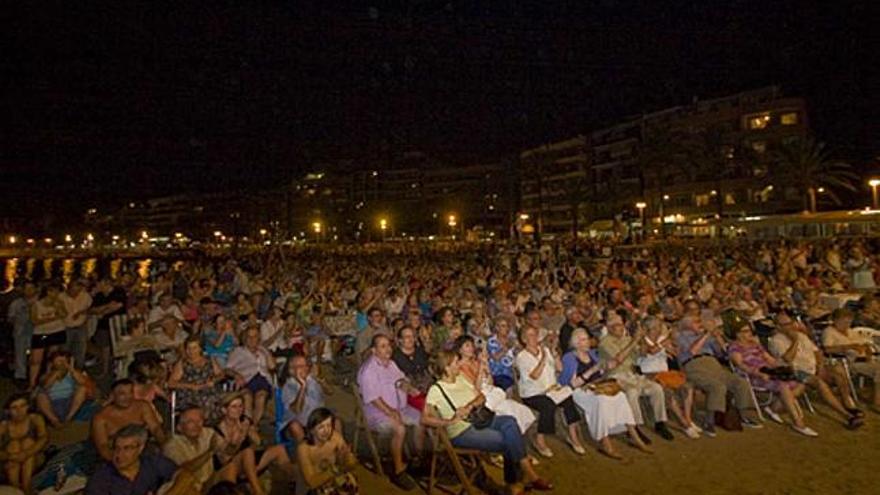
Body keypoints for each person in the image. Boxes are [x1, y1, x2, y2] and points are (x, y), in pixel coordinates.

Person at [422, 350, 551, 494]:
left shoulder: (461, 379)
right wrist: (449, 421)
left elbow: (481, 396)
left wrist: (469, 406)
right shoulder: (436, 390)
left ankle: (519, 479)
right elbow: (425, 418)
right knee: (508, 440)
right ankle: (522, 479)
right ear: (446, 367)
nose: (459, 364)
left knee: (510, 422)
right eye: (456, 363)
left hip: (479, 418)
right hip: (461, 432)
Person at [560, 329, 651, 459]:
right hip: (580, 391)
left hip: (597, 387)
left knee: (620, 396)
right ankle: (605, 443)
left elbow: (608, 366)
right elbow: (571, 384)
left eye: (587, 339)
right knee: (601, 401)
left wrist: (613, 362)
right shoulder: (569, 357)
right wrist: (592, 370)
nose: (588, 342)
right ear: (576, 343)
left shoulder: (591, 354)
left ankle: (635, 436)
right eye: (584, 340)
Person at [769, 311, 863, 428]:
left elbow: (818, 352)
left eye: (791, 323)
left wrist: (821, 367)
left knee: (838, 375)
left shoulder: (802, 335)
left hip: (813, 368)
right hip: (796, 371)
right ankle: (847, 416)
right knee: (820, 383)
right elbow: (788, 359)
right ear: (778, 327)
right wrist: (795, 341)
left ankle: (849, 405)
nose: (790, 326)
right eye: (785, 324)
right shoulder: (776, 340)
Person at [356, 334, 423, 490]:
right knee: (399, 429)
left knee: (422, 419)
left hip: (399, 407)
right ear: (374, 350)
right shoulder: (368, 370)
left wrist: (409, 388)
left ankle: (417, 459)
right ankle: (398, 470)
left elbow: (400, 381)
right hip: (377, 412)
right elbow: (373, 398)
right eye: (383, 346)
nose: (388, 349)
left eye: (388, 345)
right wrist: (391, 412)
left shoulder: (391, 364)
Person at [675, 316, 761, 436]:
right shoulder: (681, 336)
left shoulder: (708, 337)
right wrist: (706, 334)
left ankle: (744, 415)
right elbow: (692, 351)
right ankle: (709, 421)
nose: (700, 323)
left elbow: (723, 352)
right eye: (696, 322)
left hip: (714, 364)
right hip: (694, 366)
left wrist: (718, 337)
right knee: (717, 386)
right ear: (686, 325)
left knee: (740, 382)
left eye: (700, 321)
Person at [729, 324, 818, 437]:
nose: (750, 333)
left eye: (750, 331)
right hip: (753, 375)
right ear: (738, 334)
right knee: (783, 386)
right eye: (746, 331)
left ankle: (773, 408)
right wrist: (758, 373)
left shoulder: (756, 345)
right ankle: (798, 423)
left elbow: (770, 360)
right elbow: (740, 365)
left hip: (768, 372)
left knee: (800, 384)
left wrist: (781, 365)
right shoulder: (734, 347)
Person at [598, 314, 674, 441]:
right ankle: (634, 428)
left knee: (656, 388)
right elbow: (619, 359)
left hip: (633, 375)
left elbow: (643, 353)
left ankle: (660, 423)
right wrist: (634, 340)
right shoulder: (605, 342)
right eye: (617, 325)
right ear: (609, 328)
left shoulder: (627, 339)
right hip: (615, 376)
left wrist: (642, 338)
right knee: (632, 392)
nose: (621, 328)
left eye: (622, 324)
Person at [514, 325, 586, 457]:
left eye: (535, 334)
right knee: (548, 406)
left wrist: (555, 355)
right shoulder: (521, 357)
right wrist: (543, 359)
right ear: (524, 339)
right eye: (530, 335)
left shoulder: (545, 350)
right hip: (533, 394)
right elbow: (534, 375)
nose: (534, 337)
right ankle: (540, 439)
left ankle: (573, 436)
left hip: (552, 390)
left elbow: (559, 369)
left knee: (568, 400)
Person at [212, 392, 294, 495]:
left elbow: (259, 443)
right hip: (229, 467)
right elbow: (224, 460)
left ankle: (293, 483)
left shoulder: (244, 422)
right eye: (234, 407)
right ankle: (258, 491)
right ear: (224, 410)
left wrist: (250, 430)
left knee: (280, 449)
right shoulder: (217, 431)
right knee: (247, 451)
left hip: (248, 464)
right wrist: (240, 437)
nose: (239, 410)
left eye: (241, 406)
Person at [455, 335, 536, 434]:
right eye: (467, 346)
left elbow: (491, 382)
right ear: (460, 350)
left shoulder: (475, 361)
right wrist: (481, 367)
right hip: (478, 396)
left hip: (490, 391)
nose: (471, 348)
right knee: (508, 412)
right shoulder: (459, 367)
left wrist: (486, 367)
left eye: (472, 345)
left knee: (519, 409)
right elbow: (476, 388)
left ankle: (519, 435)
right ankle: (511, 434)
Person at [85, 424, 189, 495]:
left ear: (140, 448)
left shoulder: (152, 462)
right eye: (117, 448)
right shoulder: (101, 477)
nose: (119, 454)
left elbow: (185, 476)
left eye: (127, 448)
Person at [91, 379, 166, 461]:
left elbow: (155, 428)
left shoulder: (142, 406)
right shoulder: (101, 418)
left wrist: (164, 445)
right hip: (116, 455)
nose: (128, 397)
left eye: (130, 392)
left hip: (142, 450)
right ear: (112, 396)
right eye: (122, 394)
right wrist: (120, 460)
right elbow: (103, 447)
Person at [822, 308, 880, 411]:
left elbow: (863, 343)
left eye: (849, 322)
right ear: (835, 321)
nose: (847, 324)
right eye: (844, 322)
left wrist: (867, 350)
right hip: (844, 362)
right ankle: (876, 402)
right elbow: (827, 349)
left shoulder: (851, 331)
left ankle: (875, 399)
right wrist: (848, 347)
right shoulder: (829, 332)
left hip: (861, 360)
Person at [295, 408, 358, 495]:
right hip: (311, 488)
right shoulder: (304, 449)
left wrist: (347, 457)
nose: (326, 431)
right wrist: (335, 469)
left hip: (332, 481)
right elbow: (311, 482)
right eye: (321, 427)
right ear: (312, 430)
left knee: (350, 482)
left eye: (329, 425)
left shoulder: (336, 438)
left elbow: (351, 464)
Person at [162, 406, 222, 493]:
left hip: (209, 484)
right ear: (179, 427)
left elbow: (226, 452)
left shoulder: (207, 433)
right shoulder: (172, 445)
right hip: (184, 488)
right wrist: (210, 451)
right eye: (190, 421)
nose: (196, 425)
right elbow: (185, 469)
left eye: (199, 421)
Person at [225, 326, 276, 425]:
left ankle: (252, 426)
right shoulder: (238, 351)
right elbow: (227, 369)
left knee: (261, 396)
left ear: (259, 338)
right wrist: (236, 375)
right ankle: (248, 425)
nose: (252, 339)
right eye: (249, 336)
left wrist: (265, 353)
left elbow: (272, 366)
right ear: (245, 338)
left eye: (255, 336)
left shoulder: (263, 350)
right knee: (247, 396)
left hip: (262, 380)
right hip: (245, 380)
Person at [168, 336, 225, 423]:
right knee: (208, 400)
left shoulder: (209, 359)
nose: (191, 351)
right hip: (190, 393)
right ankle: (205, 425)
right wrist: (191, 386)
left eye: (194, 348)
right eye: (188, 348)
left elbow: (221, 374)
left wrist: (214, 380)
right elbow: (171, 383)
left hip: (209, 389)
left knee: (223, 400)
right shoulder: (182, 363)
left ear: (200, 349)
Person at [0, 393, 48, 494]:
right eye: (14, 407)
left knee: (28, 442)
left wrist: (26, 453)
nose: (19, 411)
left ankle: (26, 485)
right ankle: (16, 486)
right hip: (10, 461)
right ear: (8, 410)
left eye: (23, 406)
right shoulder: (4, 425)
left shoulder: (35, 418)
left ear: (28, 406)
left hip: (33, 457)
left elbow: (43, 438)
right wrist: (10, 456)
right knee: (14, 445)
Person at [35, 351, 93, 427]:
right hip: (52, 403)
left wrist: (71, 369)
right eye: (59, 361)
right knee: (40, 396)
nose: (62, 363)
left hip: (70, 402)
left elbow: (82, 382)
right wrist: (55, 373)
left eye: (64, 361)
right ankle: (54, 421)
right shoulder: (46, 375)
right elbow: (45, 385)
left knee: (82, 389)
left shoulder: (72, 373)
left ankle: (69, 418)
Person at [280, 354, 328, 442]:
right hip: (299, 423)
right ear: (291, 370)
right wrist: (303, 386)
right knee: (295, 427)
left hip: (318, 421)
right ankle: (306, 452)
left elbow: (329, 392)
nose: (305, 368)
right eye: (300, 366)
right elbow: (297, 409)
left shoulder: (312, 380)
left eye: (306, 365)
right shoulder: (288, 386)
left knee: (336, 422)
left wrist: (322, 381)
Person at [29, 282, 68, 389]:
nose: (56, 294)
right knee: (36, 359)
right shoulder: (37, 304)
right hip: (42, 333)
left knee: (52, 357)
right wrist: (53, 318)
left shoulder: (59, 302)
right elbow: (35, 321)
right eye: (53, 291)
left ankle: (48, 380)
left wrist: (58, 307)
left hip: (56, 331)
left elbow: (64, 314)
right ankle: (32, 383)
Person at [89, 278, 127, 377]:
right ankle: (105, 370)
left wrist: (102, 311)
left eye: (99, 283)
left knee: (121, 346)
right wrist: (107, 306)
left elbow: (117, 306)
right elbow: (92, 310)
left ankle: (119, 369)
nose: (97, 285)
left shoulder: (118, 292)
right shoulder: (99, 295)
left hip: (118, 324)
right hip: (103, 325)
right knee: (104, 347)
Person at [391, 326, 432, 411]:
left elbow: (429, 371)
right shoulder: (394, 358)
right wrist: (410, 389)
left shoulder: (420, 351)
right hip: (410, 391)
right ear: (400, 340)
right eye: (407, 337)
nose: (411, 339)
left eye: (412, 336)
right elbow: (397, 381)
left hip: (428, 387)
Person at [6, 282, 37, 387]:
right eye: (27, 288)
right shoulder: (16, 304)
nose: (29, 291)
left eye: (31, 288)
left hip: (36, 332)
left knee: (35, 355)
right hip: (20, 333)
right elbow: (10, 318)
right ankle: (20, 376)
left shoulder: (39, 302)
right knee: (20, 355)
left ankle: (34, 374)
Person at [59, 279, 93, 370]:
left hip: (80, 327)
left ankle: (79, 370)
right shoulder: (61, 297)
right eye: (73, 291)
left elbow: (91, 309)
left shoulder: (85, 296)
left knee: (80, 351)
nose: (76, 294)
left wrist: (82, 313)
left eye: (78, 291)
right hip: (66, 328)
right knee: (64, 351)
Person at [486, 317, 517, 391]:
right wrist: (507, 347)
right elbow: (496, 357)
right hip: (497, 374)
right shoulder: (492, 341)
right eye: (503, 326)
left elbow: (514, 356)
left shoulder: (511, 340)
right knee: (508, 388)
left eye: (507, 326)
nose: (506, 328)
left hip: (510, 373)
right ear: (497, 328)